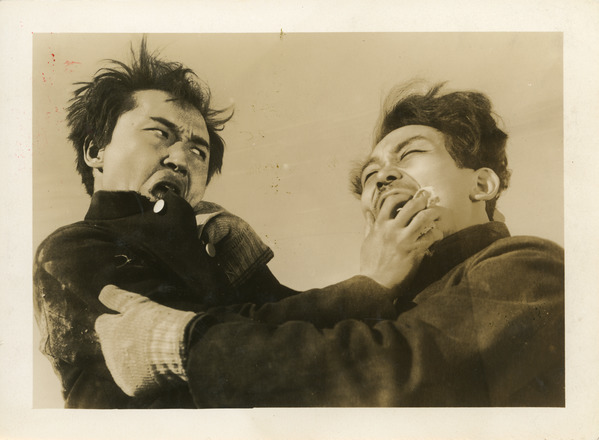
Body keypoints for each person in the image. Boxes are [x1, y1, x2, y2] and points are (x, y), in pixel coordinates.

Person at [95, 82, 565, 407]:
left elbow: (396, 372)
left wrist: (186, 344)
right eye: (370, 174)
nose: (382, 176)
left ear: (482, 185)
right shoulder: (389, 304)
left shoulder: (529, 268)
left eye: (410, 154)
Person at [33, 40, 294, 408]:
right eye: (160, 134)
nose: (181, 160)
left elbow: (293, 319)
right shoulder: (71, 248)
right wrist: (367, 289)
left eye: (198, 152)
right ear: (95, 151)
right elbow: (226, 342)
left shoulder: (216, 241)